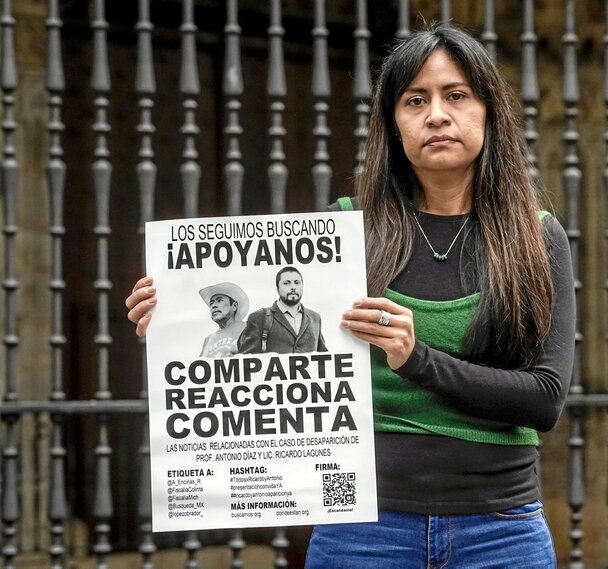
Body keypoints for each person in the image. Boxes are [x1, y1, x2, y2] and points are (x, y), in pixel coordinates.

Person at [126, 22, 574, 569]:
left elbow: (544, 400)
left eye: (456, 95)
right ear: (394, 124)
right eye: (415, 100)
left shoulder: (537, 237)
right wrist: (173, 323)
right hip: (365, 532)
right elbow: (271, 358)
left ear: (489, 111)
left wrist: (416, 359)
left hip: (501, 532)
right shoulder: (343, 234)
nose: (437, 115)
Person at [237, 266, 327, 354]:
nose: (293, 287)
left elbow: (324, 356)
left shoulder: (315, 318)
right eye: (286, 283)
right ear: (277, 289)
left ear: (302, 286)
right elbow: (247, 360)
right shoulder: (259, 317)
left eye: (297, 283)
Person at [197, 282, 249, 358]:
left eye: (219, 300)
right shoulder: (209, 339)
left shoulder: (248, 328)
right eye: (211, 303)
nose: (213, 306)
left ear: (234, 306)